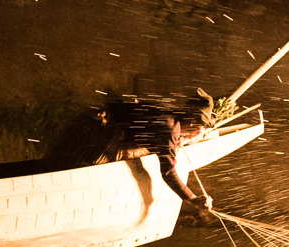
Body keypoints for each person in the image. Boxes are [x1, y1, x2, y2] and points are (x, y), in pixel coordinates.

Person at [46, 88, 216, 213]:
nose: (201, 133)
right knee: (74, 173)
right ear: (194, 121)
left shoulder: (173, 118)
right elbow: (168, 171)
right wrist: (192, 198)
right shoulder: (169, 130)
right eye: (203, 127)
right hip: (98, 135)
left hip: (102, 129)